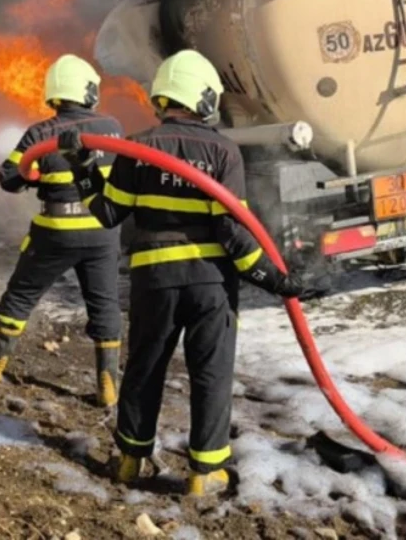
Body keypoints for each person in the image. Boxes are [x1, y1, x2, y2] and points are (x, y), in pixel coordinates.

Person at [61, 49, 307, 497]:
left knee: (145, 368)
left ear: (162, 98)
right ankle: (204, 473)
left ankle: (130, 460)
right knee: (211, 373)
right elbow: (232, 231)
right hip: (210, 283)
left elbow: (108, 213)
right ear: (206, 98)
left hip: (153, 280)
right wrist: (272, 278)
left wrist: (83, 169)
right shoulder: (223, 151)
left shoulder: (137, 147)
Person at [0, 54, 125, 407]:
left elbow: (9, 178)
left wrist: (36, 176)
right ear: (88, 92)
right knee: (104, 302)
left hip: (55, 230)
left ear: (54, 95)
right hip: (102, 230)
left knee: (21, 295)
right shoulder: (113, 127)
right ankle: (108, 383)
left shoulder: (41, 133)